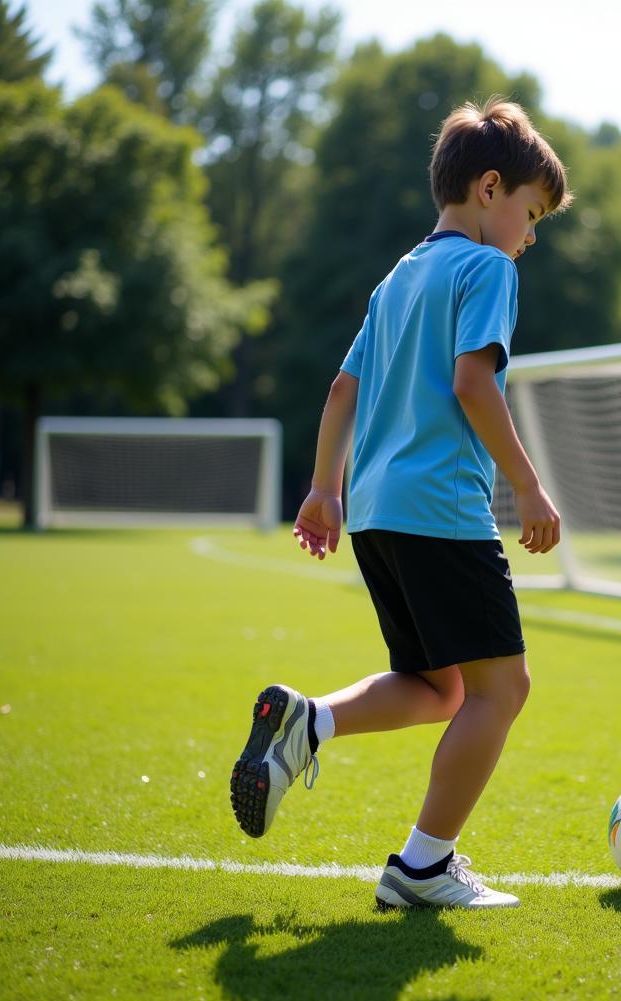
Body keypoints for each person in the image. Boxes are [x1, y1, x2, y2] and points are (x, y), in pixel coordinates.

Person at [230, 97, 572, 909]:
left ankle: (308, 723)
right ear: (491, 189)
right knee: (503, 689)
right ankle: (422, 867)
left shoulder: (398, 278)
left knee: (438, 687)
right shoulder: (488, 269)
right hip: (441, 511)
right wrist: (527, 486)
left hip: (379, 512)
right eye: (532, 213)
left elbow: (343, 388)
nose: (530, 236)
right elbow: (472, 382)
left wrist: (324, 488)